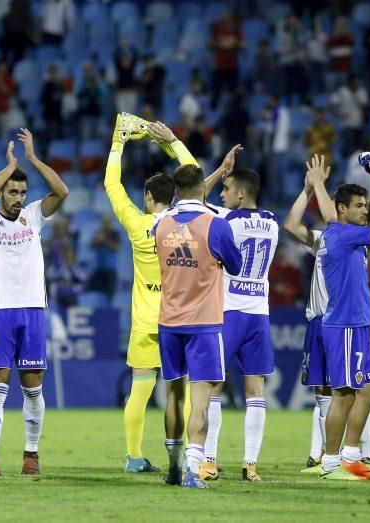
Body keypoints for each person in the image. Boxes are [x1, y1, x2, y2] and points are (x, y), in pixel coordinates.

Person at [0, 129, 68, 477]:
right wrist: (9, 165)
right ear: (1, 193)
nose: (19, 197)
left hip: (32, 309)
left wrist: (32, 160)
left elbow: (61, 191)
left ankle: (31, 453)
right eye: (13, 191)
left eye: (23, 192)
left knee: (33, 386)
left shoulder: (33, 216)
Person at [103, 114, 192, 473]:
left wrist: (119, 142)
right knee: (180, 390)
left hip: (145, 318)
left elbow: (112, 185)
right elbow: (194, 172)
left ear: (148, 197)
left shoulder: (138, 225)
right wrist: (170, 142)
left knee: (140, 388)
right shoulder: (184, 222)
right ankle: (186, 454)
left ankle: (134, 457)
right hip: (180, 315)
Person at [283, 156, 370, 473]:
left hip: (349, 323)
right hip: (326, 322)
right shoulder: (326, 238)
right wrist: (310, 188)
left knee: (348, 391)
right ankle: (326, 457)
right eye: (360, 207)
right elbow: (291, 225)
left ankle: (339, 456)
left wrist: (369, 323)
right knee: (330, 393)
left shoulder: (355, 242)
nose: (365, 212)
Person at [154, 163, 242, 489]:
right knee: (201, 398)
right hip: (204, 323)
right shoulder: (215, 225)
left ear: (176, 191)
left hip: (169, 321)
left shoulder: (161, 225)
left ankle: (174, 467)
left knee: (173, 395)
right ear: (203, 189)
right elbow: (235, 265)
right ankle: (193, 471)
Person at [312, 169, 370, 481]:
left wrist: (319, 183)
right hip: (344, 326)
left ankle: (350, 456)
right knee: (344, 395)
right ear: (343, 210)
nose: (366, 210)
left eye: (366, 205)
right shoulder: (345, 235)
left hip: (356, 323)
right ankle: (331, 464)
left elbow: (326, 208)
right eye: (360, 206)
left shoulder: (340, 232)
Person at [199, 149, 278, 482]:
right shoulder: (273, 222)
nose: (222, 193)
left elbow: (194, 196)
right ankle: (250, 465)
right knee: (256, 390)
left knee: (213, 386)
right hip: (259, 313)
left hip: (228, 312)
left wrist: (219, 170)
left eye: (227, 188)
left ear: (241, 193)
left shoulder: (226, 220)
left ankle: (210, 460)